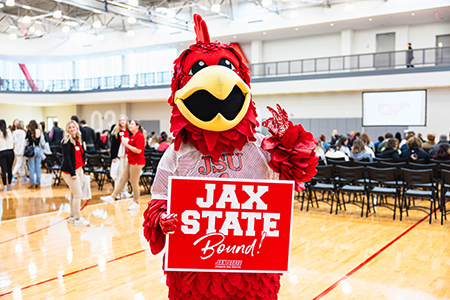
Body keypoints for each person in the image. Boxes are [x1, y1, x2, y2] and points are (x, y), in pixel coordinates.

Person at [101, 120, 145, 210]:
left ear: (137, 126)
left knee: (134, 182)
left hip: (137, 162)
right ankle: (112, 197)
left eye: (132, 124)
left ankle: (136, 202)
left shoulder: (140, 136)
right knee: (122, 179)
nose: (130, 125)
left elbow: (139, 150)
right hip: (130, 161)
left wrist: (127, 145)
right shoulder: (132, 136)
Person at [61, 120, 90, 226]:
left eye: (74, 127)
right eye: (70, 127)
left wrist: (84, 160)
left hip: (79, 169)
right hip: (70, 172)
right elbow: (67, 159)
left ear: (77, 128)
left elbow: (81, 154)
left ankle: (72, 216)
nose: (72, 129)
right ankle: (78, 219)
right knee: (78, 194)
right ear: (67, 130)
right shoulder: (66, 141)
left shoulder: (77, 140)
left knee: (74, 194)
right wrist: (73, 173)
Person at [109, 115, 132, 199]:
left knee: (125, 174)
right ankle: (117, 192)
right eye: (120, 120)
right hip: (119, 156)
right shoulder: (116, 131)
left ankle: (124, 191)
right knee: (118, 174)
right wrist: (113, 156)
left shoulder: (130, 132)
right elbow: (113, 145)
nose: (122, 121)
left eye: (123, 120)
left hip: (128, 156)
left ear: (126, 121)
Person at [26, 120, 45, 189]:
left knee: (31, 167)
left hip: (31, 150)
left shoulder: (29, 132)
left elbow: (26, 142)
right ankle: (38, 182)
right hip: (38, 149)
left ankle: (32, 183)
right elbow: (43, 143)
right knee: (38, 167)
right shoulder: (39, 131)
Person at [0, 120, 15, 191]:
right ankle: (9, 184)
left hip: (2, 152)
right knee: (9, 169)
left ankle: (5, 186)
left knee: (3, 170)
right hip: (10, 152)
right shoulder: (10, 132)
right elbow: (14, 141)